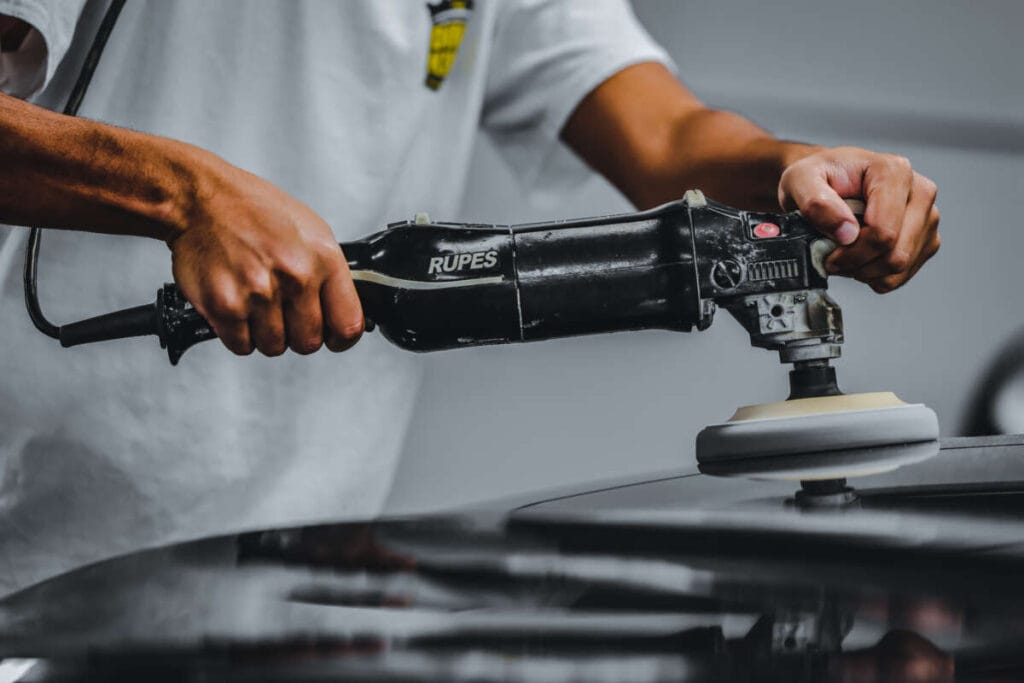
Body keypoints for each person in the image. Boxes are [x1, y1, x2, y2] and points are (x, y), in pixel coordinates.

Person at [0, 0, 939, 595]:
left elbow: (665, 133)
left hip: (302, 585)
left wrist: (792, 169)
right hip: (34, 575)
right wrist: (183, 192)